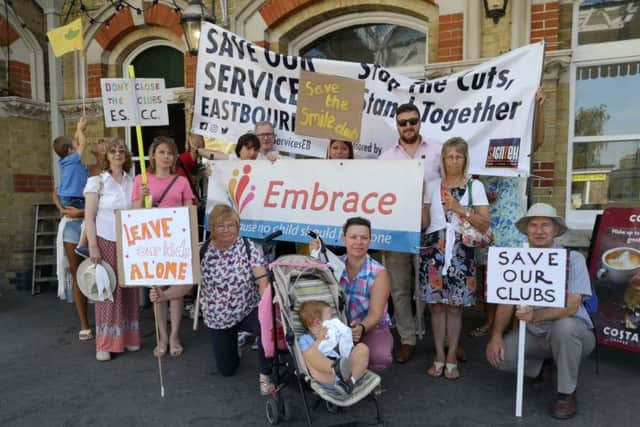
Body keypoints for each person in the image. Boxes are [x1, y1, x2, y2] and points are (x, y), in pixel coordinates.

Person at [486, 203, 596, 420]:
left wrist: (536, 315)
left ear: (555, 230)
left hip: (574, 333)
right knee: (501, 357)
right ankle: (544, 364)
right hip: (535, 332)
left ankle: (567, 392)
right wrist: (496, 336)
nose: (539, 230)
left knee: (564, 328)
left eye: (545, 225)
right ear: (526, 230)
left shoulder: (573, 259)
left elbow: (572, 306)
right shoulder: (518, 259)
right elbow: (507, 302)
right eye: (533, 225)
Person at [470, 86, 547, 338]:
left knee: (513, 276)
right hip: (489, 222)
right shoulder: (480, 147)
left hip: (512, 225)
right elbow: (470, 182)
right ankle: (491, 323)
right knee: (490, 278)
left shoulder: (514, 142)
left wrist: (540, 107)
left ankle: (514, 324)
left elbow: (536, 142)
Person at [420, 137, 490, 380]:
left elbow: (484, 223)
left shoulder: (475, 187)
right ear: (443, 159)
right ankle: (439, 355)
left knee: (455, 308)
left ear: (465, 159)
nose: (453, 161)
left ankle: (451, 357)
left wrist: (461, 209)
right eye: (449, 156)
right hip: (433, 251)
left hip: (461, 251)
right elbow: (425, 223)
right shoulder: (432, 185)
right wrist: (411, 206)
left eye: (458, 157)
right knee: (437, 307)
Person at [378, 103, 442, 363]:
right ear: (397, 125)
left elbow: (451, 185)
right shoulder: (385, 159)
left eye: (412, 121)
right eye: (402, 122)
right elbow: (378, 197)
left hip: (431, 230)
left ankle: (445, 341)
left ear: (419, 122)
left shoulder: (438, 151)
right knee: (400, 290)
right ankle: (407, 339)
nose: (408, 126)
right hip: (398, 235)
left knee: (435, 288)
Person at [199, 204, 274, 394]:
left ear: (238, 227)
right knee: (227, 370)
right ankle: (233, 344)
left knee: (267, 326)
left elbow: (263, 282)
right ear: (212, 228)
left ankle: (265, 376)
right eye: (220, 225)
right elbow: (184, 285)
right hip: (219, 318)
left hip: (248, 308)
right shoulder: (202, 252)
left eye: (231, 225)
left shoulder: (248, 247)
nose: (226, 230)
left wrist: (267, 309)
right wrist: (164, 295)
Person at [132, 136, 195, 358]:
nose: (166, 156)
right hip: (152, 243)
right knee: (157, 290)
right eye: (162, 152)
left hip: (176, 242)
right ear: (153, 155)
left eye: (170, 152)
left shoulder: (181, 182)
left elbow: (189, 212)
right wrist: (142, 197)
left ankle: (175, 335)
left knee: (175, 291)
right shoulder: (142, 180)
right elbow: (134, 214)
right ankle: (162, 337)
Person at [310, 217, 393, 372]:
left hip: (369, 327)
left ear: (370, 240)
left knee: (380, 356)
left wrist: (361, 328)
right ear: (344, 239)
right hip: (339, 325)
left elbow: (376, 313)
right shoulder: (333, 265)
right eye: (353, 237)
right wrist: (314, 255)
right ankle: (342, 377)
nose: (358, 242)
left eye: (364, 238)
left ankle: (364, 377)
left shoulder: (379, 272)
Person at [83, 138, 139, 361]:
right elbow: (89, 215)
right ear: (106, 156)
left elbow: (136, 212)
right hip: (104, 240)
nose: (117, 154)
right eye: (113, 151)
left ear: (126, 156)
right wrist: (93, 246)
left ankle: (128, 337)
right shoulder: (97, 182)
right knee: (106, 290)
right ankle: (105, 343)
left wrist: (144, 196)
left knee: (127, 289)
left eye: (121, 151)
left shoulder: (132, 182)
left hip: (128, 242)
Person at [52, 116, 91, 340]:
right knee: (78, 270)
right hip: (76, 204)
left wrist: (60, 207)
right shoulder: (75, 160)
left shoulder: (65, 161)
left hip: (70, 202)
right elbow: (82, 143)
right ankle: (84, 322)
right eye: (74, 145)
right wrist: (80, 128)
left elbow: (76, 144)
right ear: (70, 149)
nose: (79, 146)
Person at [298, 300, 369, 394]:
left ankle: (349, 383)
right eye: (330, 318)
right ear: (317, 322)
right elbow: (308, 360)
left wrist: (346, 333)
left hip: (348, 373)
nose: (334, 321)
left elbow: (346, 347)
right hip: (327, 376)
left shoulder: (334, 334)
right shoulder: (305, 339)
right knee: (309, 353)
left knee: (362, 348)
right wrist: (319, 340)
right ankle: (337, 368)